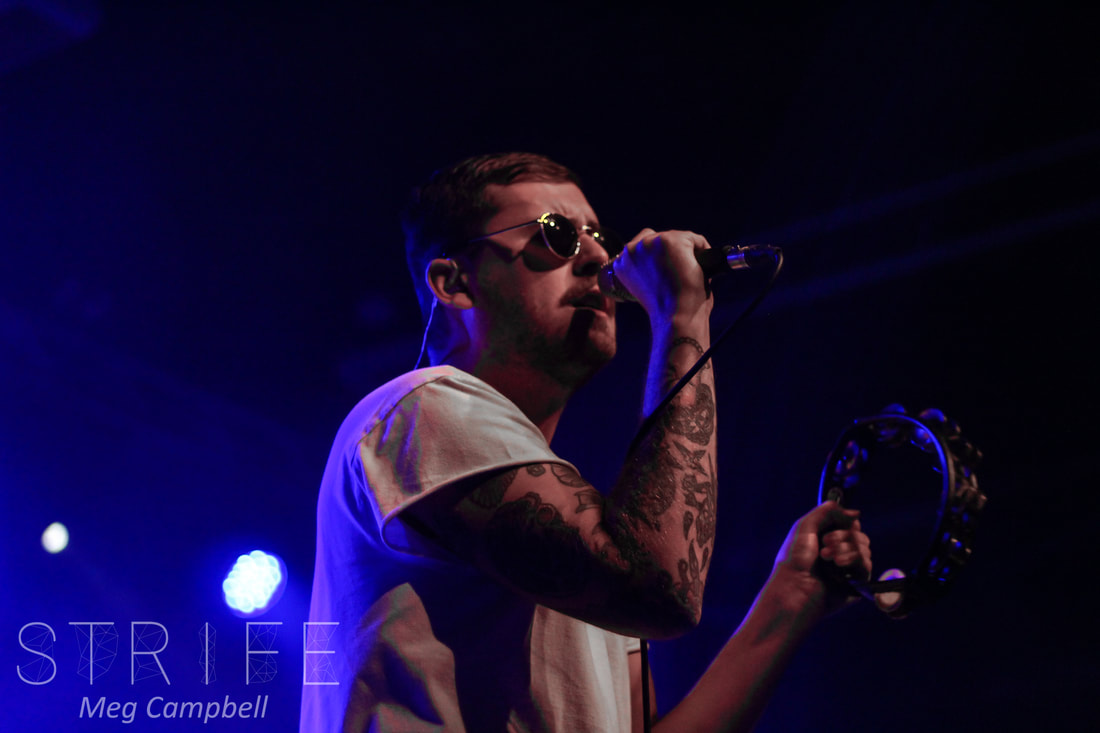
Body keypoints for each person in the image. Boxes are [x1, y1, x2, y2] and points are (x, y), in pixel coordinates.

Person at [300, 152, 871, 732]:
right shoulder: (420, 409)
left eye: (599, 237)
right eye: (557, 235)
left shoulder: (585, 531)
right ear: (455, 283)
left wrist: (789, 601)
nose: (598, 257)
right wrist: (682, 318)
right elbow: (661, 586)